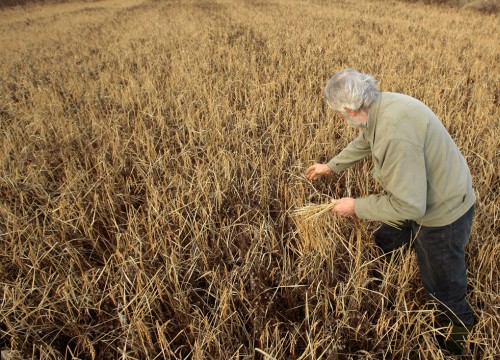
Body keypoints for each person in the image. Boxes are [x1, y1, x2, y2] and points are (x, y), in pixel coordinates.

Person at [306, 69, 476, 354]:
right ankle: (386, 275)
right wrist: (332, 166)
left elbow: (410, 205)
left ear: (350, 109)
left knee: (443, 286)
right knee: (388, 237)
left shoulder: (394, 134)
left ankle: (457, 339)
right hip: (426, 191)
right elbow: (366, 140)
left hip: (442, 213)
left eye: (338, 113)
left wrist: (356, 206)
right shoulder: (384, 105)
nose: (339, 118)